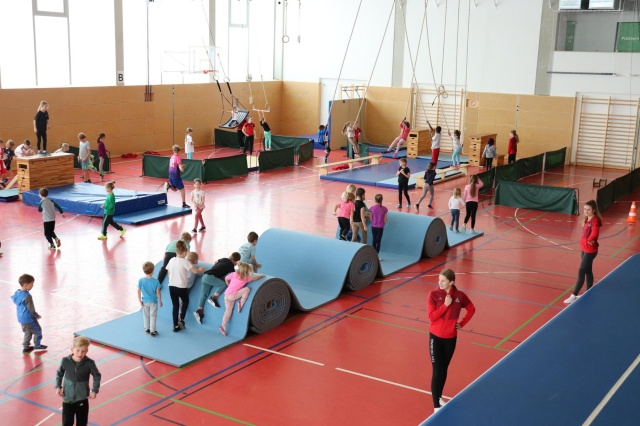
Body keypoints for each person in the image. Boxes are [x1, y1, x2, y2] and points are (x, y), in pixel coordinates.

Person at [428, 269, 475, 413]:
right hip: (435, 338)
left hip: (450, 339)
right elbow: (431, 317)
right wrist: (445, 305)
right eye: (439, 280)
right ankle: (436, 406)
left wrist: (462, 324)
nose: (440, 283)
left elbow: (471, 309)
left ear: (451, 282)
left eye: (443, 280)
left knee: (444, 368)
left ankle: (439, 396)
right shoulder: (433, 295)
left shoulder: (459, 296)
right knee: (437, 370)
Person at [55, 336, 101, 426]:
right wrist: (58, 387)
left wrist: (94, 390)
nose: (80, 353)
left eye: (83, 351)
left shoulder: (89, 363)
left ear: (87, 351)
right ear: (72, 350)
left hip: (82, 398)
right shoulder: (65, 361)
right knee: (67, 423)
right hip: (67, 398)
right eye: (78, 350)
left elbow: (97, 376)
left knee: (82, 423)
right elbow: (59, 373)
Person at [564, 200, 602, 304]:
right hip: (584, 248)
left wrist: (589, 240)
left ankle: (574, 295)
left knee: (581, 271)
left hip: (590, 250)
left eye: (588, 210)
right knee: (588, 270)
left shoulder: (595, 220)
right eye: (585, 209)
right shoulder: (587, 219)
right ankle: (589, 292)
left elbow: (595, 233)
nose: (586, 211)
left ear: (593, 210)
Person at [166, 241, 205, 332]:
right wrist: (201, 269)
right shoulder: (185, 261)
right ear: (184, 252)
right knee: (185, 301)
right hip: (181, 287)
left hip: (171, 286)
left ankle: (175, 326)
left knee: (175, 305)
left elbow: (168, 271)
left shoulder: (172, 260)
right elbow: (195, 271)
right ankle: (182, 319)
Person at [194, 252, 241, 324]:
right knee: (224, 284)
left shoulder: (224, 259)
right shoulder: (231, 266)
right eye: (237, 262)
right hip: (211, 277)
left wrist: (219, 268)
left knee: (204, 294)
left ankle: (199, 311)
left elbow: (216, 262)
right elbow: (233, 276)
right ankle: (213, 298)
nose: (236, 264)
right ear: (235, 261)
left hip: (205, 276)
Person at [219, 263, 265, 336]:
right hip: (233, 295)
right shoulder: (246, 277)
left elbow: (226, 278)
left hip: (226, 294)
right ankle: (241, 302)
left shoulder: (234, 274)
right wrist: (262, 276)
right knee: (247, 289)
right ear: (247, 270)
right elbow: (256, 278)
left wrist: (228, 285)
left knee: (228, 311)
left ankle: (223, 326)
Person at [12, 273, 47, 353]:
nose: (32, 285)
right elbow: (30, 308)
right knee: (38, 331)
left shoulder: (17, 293)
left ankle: (26, 347)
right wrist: (36, 315)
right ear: (26, 285)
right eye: (32, 284)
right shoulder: (27, 296)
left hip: (21, 318)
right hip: (29, 318)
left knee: (27, 332)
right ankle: (37, 345)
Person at [137, 261, 163, 336]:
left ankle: (147, 329)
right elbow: (158, 292)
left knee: (146, 316)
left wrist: (140, 301)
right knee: (153, 316)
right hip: (153, 301)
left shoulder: (141, 280)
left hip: (145, 301)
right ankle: (153, 331)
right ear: (153, 271)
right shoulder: (156, 281)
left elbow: (138, 291)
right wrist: (160, 301)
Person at [164, 145, 190, 209]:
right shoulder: (178, 157)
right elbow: (180, 168)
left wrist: (181, 166)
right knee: (182, 190)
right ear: (179, 151)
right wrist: (182, 168)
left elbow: (174, 166)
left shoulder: (172, 157)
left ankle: (169, 186)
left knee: (175, 189)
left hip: (170, 175)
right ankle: (184, 204)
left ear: (173, 151)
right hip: (176, 176)